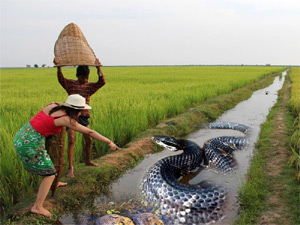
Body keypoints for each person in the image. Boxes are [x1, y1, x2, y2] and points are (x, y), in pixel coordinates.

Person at [14, 94, 120, 217]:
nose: (81, 114)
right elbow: (90, 131)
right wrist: (109, 142)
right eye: (80, 111)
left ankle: (55, 183)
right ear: (75, 110)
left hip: (22, 135)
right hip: (30, 143)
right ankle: (37, 207)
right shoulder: (66, 120)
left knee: (49, 165)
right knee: (49, 173)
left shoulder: (53, 105)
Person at [54, 58, 105, 178]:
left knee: (89, 139)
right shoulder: (71, 84)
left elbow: (102, 82)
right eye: (82, 77)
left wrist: (98, 68)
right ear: (77, 75)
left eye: (86, 77)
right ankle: (70, 168)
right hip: (71, 115)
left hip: (83, 115)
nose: (84, 80)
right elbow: (61, 79)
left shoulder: (89, 86)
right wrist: (59, 67)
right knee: (71, 140)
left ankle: (88, 161)